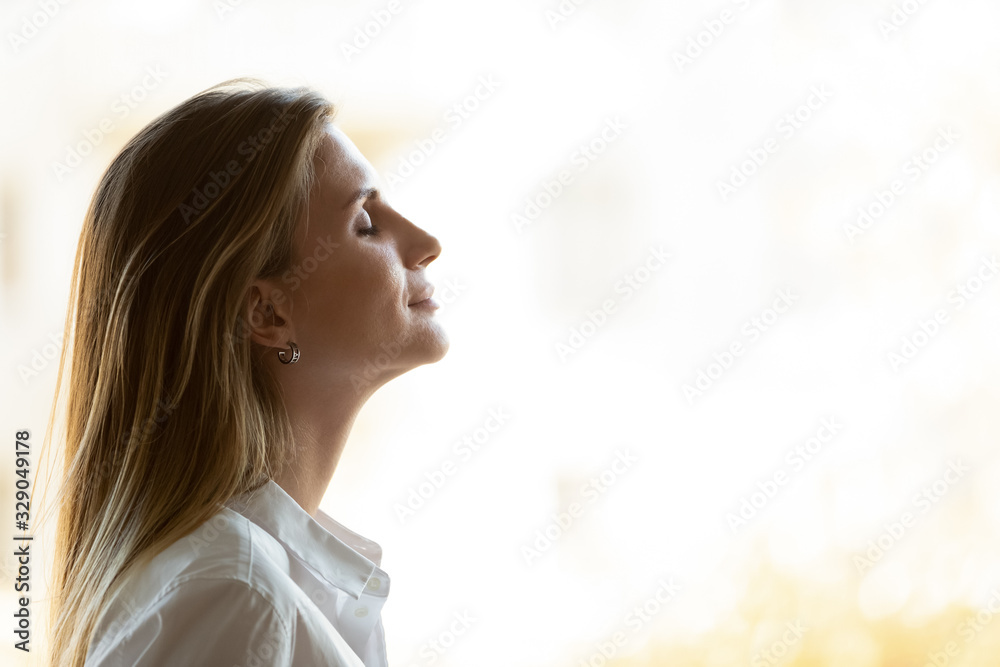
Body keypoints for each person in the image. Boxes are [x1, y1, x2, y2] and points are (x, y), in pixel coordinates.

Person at [44, 78, 449, 666]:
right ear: (267, 313)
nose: (427, 243)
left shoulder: (251, 583)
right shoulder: (234, 592)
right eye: (365, 222)